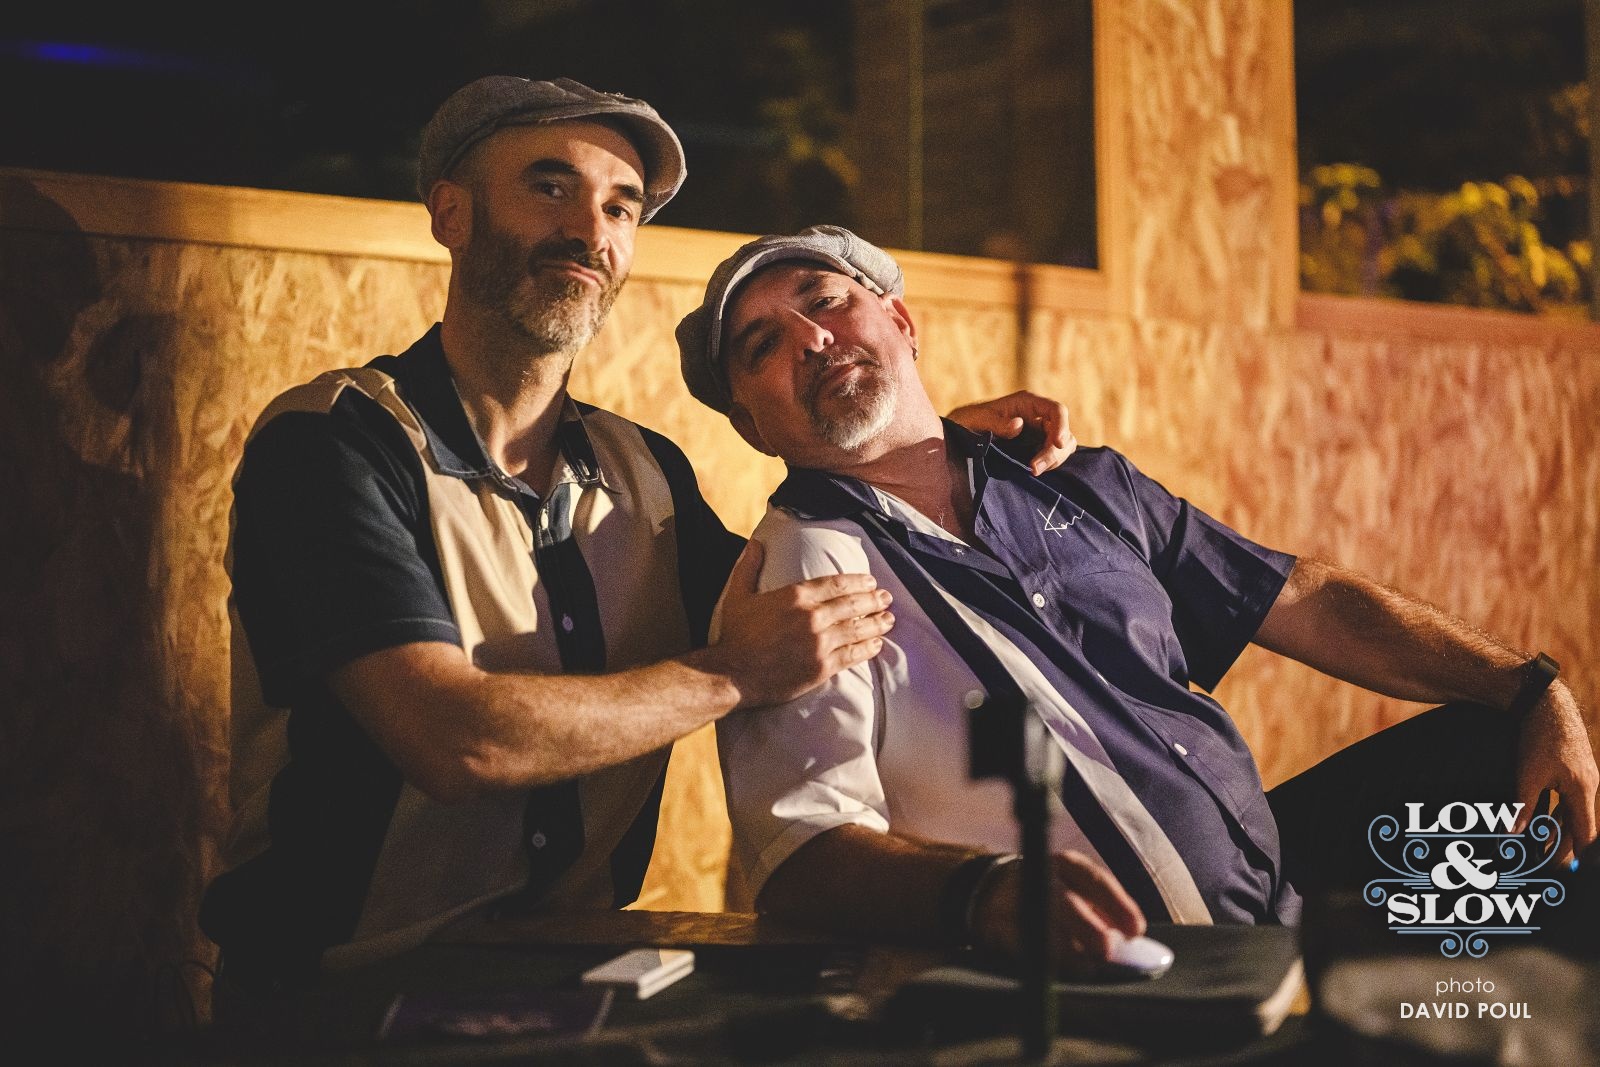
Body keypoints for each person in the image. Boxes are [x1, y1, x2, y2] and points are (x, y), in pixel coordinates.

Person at [198, 78, 1077, 991]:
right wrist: (731, 673)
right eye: (551, 187)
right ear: (451, 213)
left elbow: (817, 607)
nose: (591, 229)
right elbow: (454, 739)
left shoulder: (645, 469)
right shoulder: (330, 444)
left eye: (620, 206)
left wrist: (925, 451)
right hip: (339, 998)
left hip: (576, 988)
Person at [673, 225, 1600, 968]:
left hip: (1286, 883)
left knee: (1511, 762)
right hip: (1135, 966)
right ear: (753, 425)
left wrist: (1536, 688)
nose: (812, 338)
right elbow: (804, 853)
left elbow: (1305, 600)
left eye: (826, 300)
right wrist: (987, 894)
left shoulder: (1077, 478)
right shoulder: (802, 568)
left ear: (902, 321)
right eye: (764, 345)